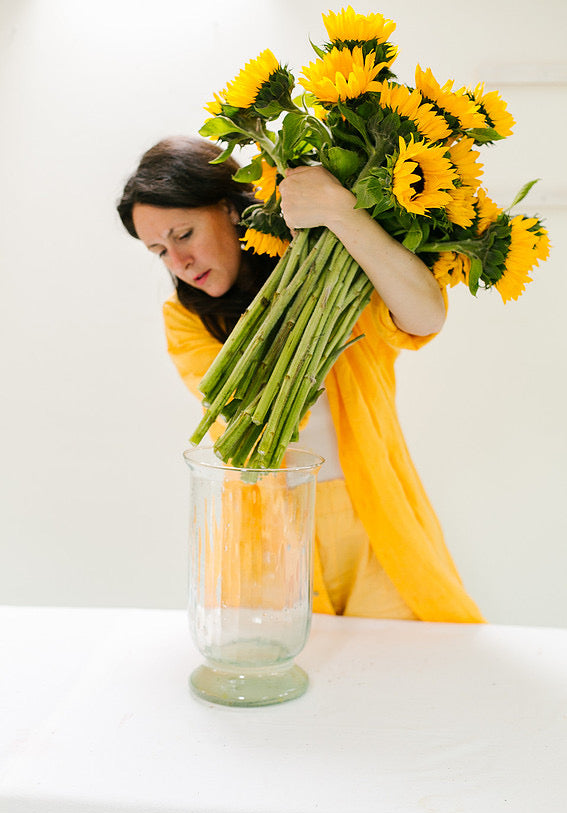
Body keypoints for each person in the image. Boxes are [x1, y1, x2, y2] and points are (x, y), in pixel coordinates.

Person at [117, 136, 484, 623]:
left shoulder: (335, 263)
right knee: (283, 658)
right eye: (160, 251)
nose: (178, 263)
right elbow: (249, 410)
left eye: (183, 234)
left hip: (375, 509)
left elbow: (425, 317)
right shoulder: (185, 317)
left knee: (413, 657)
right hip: (269, 526)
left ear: (230, 207)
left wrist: (343, 216)